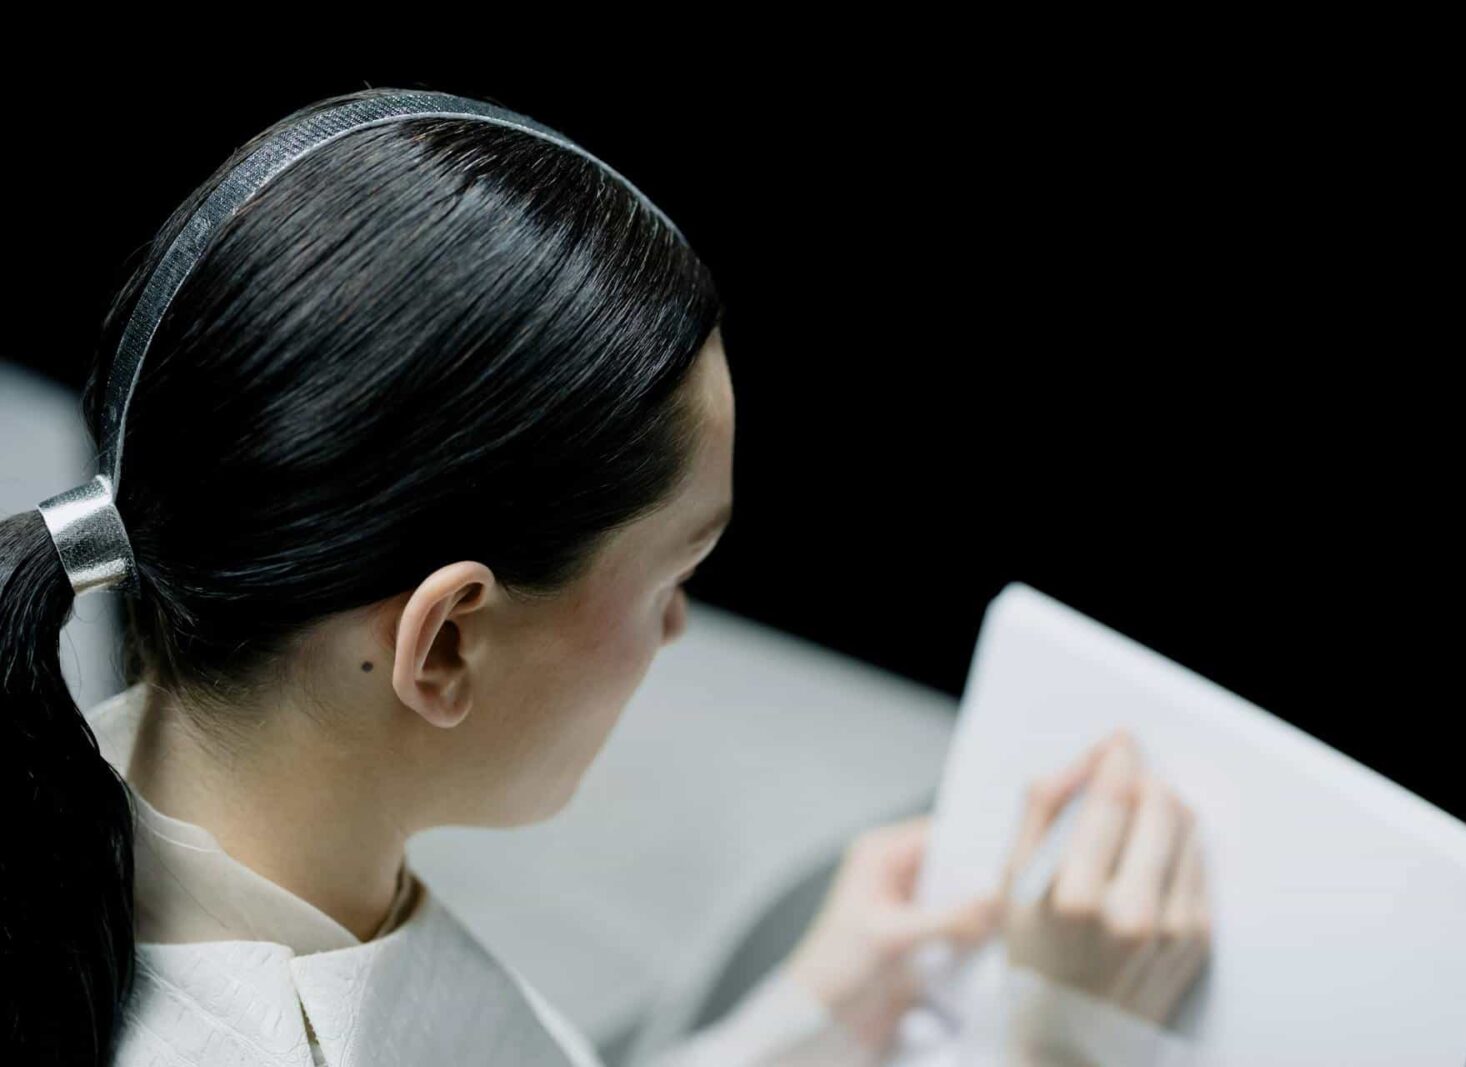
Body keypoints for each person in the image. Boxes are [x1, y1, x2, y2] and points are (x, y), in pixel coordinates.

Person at [0, 87, 1209, 1066]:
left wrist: (815, 1016)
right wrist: (1062, 1042)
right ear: (446, 642)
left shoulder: (71, 825)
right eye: (674, 570)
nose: (676, 628)